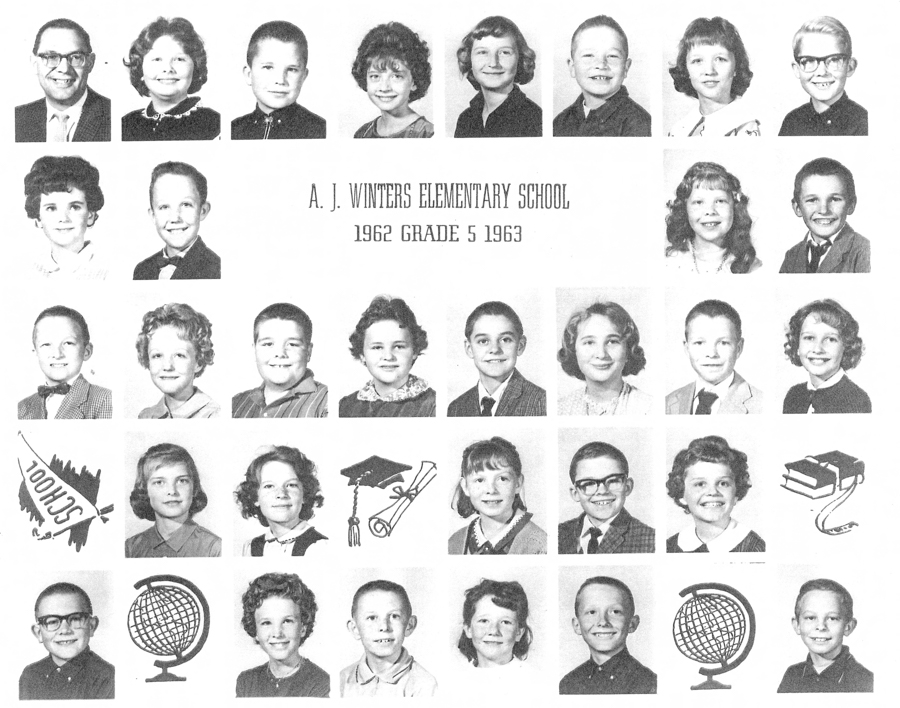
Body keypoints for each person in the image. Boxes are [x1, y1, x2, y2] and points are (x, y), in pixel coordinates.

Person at [122, 17, 220, 141]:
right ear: (140, 69)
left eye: (179, 59)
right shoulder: (126, 123)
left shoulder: (214, 124)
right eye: (157, 59)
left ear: (195, 68)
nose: (168, 69)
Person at [553, 15, 650, 137]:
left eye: (612, 56)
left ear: (626, 67)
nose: (601, 65)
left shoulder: (639, 124)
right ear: (572, 67)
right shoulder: (560, 122)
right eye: (588, 55)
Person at [16, 18, 110, 142]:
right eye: (51, 57)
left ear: (90, 63)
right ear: (34, 63)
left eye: (76, 57)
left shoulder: (112, 116)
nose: (64, 69)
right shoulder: (17, 119)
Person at [339, 296, 436, 417]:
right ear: (362, 354)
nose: (388, 356)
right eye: (377, 347)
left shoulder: (432, 405)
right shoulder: (345, 406)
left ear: (415, 351)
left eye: (398, 347)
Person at [236, 573, 329, 697]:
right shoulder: (246, 682)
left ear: (303, 627)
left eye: (287, 621)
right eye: (266, 623)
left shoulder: (321, 683)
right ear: (255, 630)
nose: (277, 633)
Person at [665, 435, 765, 553]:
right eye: (700, 484)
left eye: (723, 483)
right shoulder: (669, 547)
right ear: (681, 494)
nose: (713, 492)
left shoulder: (756, 548)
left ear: (736, 493)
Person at [559, 576, 656, 694]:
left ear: (632, 623)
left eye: (615, 612)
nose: (603, 622)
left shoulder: (649, 684)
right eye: (592, 612)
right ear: (577, 625)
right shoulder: (568, 684)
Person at [450, 437, 547, 554]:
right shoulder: (454, 542)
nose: (491, 490)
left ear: (518, 483)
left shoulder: (541, 545)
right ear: (465, 486)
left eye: (502, 479)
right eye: (480, 480)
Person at [340, 580, 437, 696]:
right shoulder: (341, 681)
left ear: (409, 625)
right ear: (354, 629)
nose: (384, 627)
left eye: (394, 616)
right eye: (372, 618)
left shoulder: (424, 685)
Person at [232, 20, 326, 140]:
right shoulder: (233, 130)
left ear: (303, 76)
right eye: (268, 67)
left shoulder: (321, 131)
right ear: (249, 75)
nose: (280, 80)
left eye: (291, 69)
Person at [448, 301, 545, 416]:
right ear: (469, 348)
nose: (495, 349)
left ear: (520, 345)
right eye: (483, 341)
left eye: (505, 340)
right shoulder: (456, 408)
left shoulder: (541, 402)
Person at [667, 17, 760, 137]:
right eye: (697, 60)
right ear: (686, 69)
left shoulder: (746, 129)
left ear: (736, 67)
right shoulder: (678, 130)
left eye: (720, 59)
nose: (709, 71)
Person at [20, 582, 114, 699]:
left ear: (91, 626)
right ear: (38, 633)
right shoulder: (30, 675)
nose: (65, 630)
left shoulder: (108, 678)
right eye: (52, 621)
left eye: (75, 619)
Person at [666, 299, 763, 414]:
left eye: (723, 343)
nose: (711, 354)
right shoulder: (667, 402)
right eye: (699, 343)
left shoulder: (762, 405)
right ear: (687, 348)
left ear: (739, 348)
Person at [777, 578, 873, 692]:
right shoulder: (792, 676)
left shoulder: (864, 680)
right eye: (810, 618)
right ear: (797, 625)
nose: (821, 626)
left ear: (848, 626)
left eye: (832, 618)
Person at [557, 301, 652, 415]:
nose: (601, 354)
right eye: (589, 342)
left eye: (612, 341)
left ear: (628, 349)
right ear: (573, 350)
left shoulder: (649, 408)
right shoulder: (560, 409)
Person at [125, 443, 221, 557]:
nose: (172, 491)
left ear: (194, 488)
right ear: (145, 490)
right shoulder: (131, 548)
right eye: (159, 482)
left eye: (182, 481)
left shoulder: (214, 548)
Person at [232, 303, 327, 418]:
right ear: (254, 350)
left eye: (292, 344)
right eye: (268, 344)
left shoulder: (327, 403)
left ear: (308, 352)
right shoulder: (236, 403)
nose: (280, 353)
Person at [558, 442, 655, 554]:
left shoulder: (651, 542)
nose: (602, 491)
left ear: (627, 487)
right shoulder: (557, 535)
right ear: (575, 493)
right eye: (589, 483)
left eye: (613, 480)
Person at [665, 161, 761, 274]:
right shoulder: (667, 264)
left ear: (734, 207)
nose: (710, 211)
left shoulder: (754, 268)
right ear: (684, 209)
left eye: (720, 201)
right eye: (699, 202)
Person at [19, 306, 112, 420]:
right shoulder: (21, 408)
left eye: (68, 343)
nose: (57, 354)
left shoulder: (106, 400)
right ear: (35, 352)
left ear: (86, 351)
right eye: (46, 344)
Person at [454, 16, 541, 138]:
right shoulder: (466, 119)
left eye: (504, 52)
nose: (493, 63)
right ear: (469, 59)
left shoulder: (535, 119)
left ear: (520, 59)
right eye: (482, 52)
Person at [779, 158, 869, 273]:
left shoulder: (864, 252)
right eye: (812, 200)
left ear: (851, 205)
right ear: (797, 208)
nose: (824, 210)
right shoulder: (792, 256)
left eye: (834, 199)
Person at [779, 18, 867, 136]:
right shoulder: (792, 122)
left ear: (850, 67)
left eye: (834, 60)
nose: (822, 72)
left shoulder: (864, 122)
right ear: (796, 69)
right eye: (809, 60)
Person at [133, 161, 220, 280]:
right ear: (153, 215)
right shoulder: (142, 269)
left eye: (186, 204)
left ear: (203, 211)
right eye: (164, 207)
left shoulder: (217, 268)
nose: (175, 218)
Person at [24, 156, 107, 279]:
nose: (63, 218)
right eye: (51, 208)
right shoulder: (30, 274)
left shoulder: (108, 271)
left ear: (90, 214)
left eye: (74, 207)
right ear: (38, 218)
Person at [234, 446, 326, 556]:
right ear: (255, 497)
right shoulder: (251, 548)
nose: (281, 494)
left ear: (305, 495)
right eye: (269, 486)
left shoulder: (320, 547)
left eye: (291, 485)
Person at [782, 299, 870, 414]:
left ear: (846, 346)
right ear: (797, 345)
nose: (818, 349)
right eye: (809, 338)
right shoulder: (794, 396)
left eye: (830, 339)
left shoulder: (856, 400)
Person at [135, 302, 220, 419]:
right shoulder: (146, 416)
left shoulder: (214, 415)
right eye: (157, 355)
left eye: (179, 355)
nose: (167, 366)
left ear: (198, 362)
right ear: (147, 360)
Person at [351, 22, 433, 138]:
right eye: (375, 76)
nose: (384, 88)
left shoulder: (427, 134)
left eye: (396, 76)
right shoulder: (362, 134)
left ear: (414, 81)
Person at [458, 579, 532, 668]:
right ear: (468, 629)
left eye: (505, 622)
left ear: (519, 633)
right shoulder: (459, 675)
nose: (493, 631)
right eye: (484, 621)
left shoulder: (532, 675)